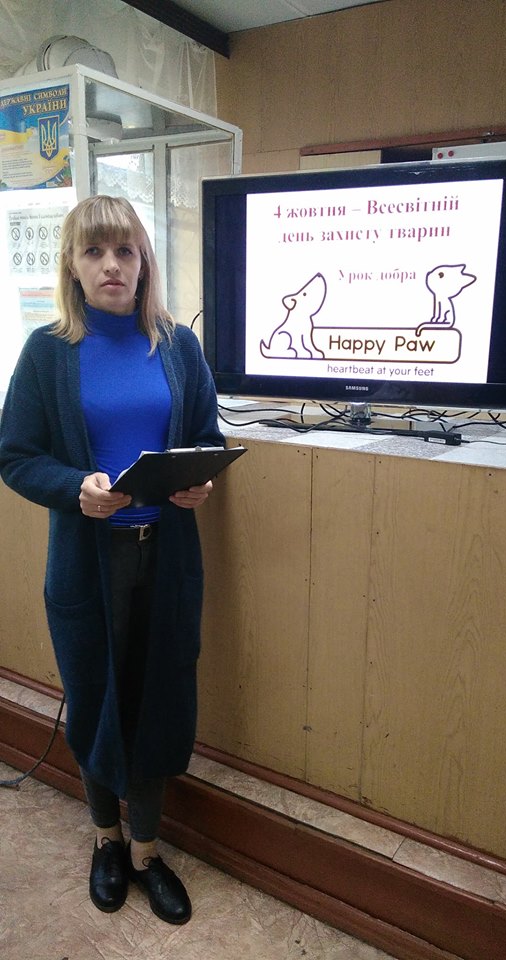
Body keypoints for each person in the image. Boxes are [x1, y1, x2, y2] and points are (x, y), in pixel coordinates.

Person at [0, 195, 224, 925]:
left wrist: (200, 481)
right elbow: (16, 455)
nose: (111, 266)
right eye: (94, 251)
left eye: (124, 251)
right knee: (95, 695)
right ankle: (106, 839)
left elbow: (205, 435)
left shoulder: (178, 346)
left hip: (168, 560)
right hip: (86, 564)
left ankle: (147, 852)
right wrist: (75, 488)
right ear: (71, 264)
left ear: (143, 261)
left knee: (160, 698)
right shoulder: (47, 352)